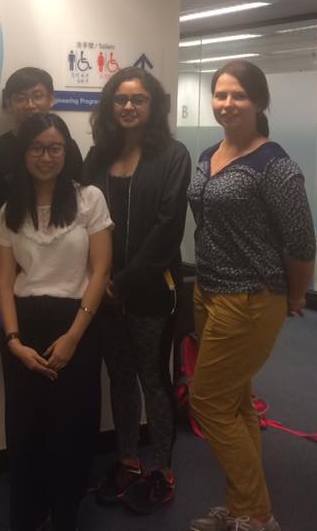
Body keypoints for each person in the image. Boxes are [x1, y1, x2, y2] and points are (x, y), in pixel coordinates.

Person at [186, 60, 315, 531]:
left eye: (238, 95)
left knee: (207, 402)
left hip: (251, 296)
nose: (227, 103)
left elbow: (301, 242)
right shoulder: (208, 155)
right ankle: (244, 508)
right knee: (234, 402)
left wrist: (295, 296)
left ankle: (256, 516)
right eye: (220, 94)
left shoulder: (275, 165)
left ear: (259, 102)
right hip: (208, 291)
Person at [0, 112, 112, 531]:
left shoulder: (90, 199)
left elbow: (100, 271)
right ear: (23, 153)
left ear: (67, 151)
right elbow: (4, 282)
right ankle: (28, 515)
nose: (46, 157)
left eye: (55, 148)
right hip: (23, 325)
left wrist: (73, 337)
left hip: (77, 322)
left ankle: (65, 514)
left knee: (70, 431)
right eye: (37, 148)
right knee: (24, 432)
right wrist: (12, 340)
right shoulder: (10, 209)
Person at [82, 67, 191, 514]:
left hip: (150, 290)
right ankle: (127, 460)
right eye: (121, 99)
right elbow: (82, 219)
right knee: (121, 377)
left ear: (153, 105)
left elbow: (168, 228)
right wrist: (99, 280)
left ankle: (162, 470)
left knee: (154, 378)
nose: (128, 107)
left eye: (138, 99)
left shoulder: (173, 155)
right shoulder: (96, 157)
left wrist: (121, 283)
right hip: (103, 288)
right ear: (110, 106)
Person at [0, 67, 84, 323]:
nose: (30, 105)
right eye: (20, 98)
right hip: (8, 267)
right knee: (10, 338)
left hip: (65, 275)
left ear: (51, 99)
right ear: (8, 103)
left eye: (37, 96)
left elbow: (82, 213)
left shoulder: (68, 149)